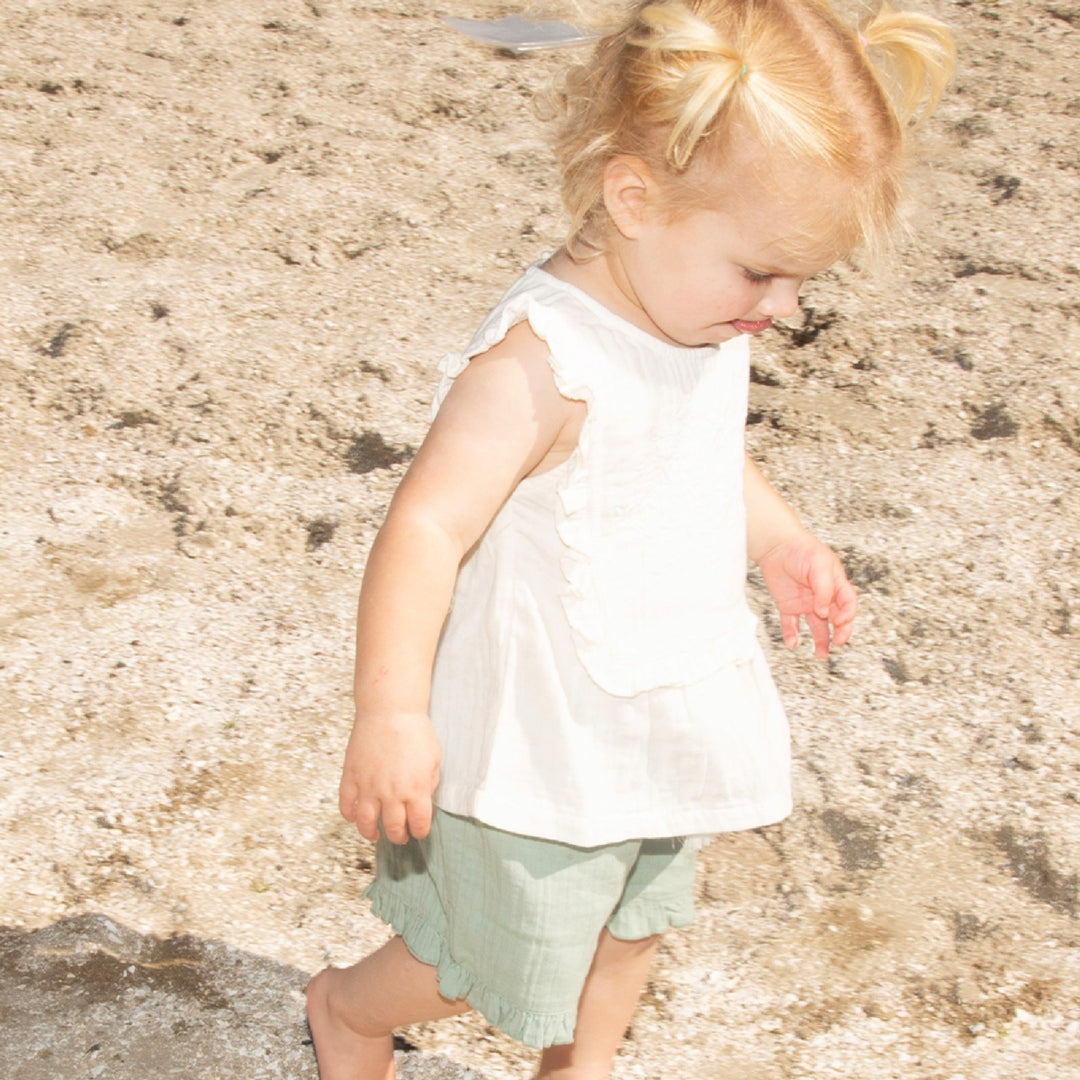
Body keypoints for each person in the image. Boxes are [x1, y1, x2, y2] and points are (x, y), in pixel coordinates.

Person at [306, 1, 955, 1077]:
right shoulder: (540, 360)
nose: (783, 308)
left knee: (632, 925)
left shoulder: (693, 310)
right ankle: (350, 1011)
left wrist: (780, 540)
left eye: (803, 281)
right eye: (763, 272)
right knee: (491, 955)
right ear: (634, 196)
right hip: (543, 731)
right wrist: (390, 711)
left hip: (663, 698)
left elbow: (696, 448)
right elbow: (424, 524)